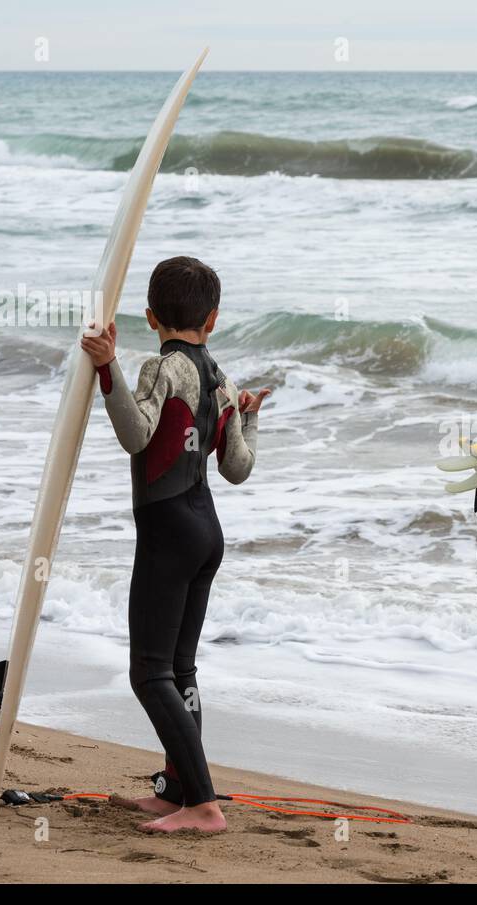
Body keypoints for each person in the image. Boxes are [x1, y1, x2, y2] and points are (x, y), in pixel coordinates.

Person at [81, 255, 271, 834]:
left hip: (167, 533)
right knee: (180, 667)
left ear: (148, 316)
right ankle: (177, 790)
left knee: (149, 674)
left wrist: (107, 368)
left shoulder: (160, 368)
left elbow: (135, 435)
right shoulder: (222, 379)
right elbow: (237, 468)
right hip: (206, 532)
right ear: (212, 320)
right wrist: (250, 418)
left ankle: (204, 805)